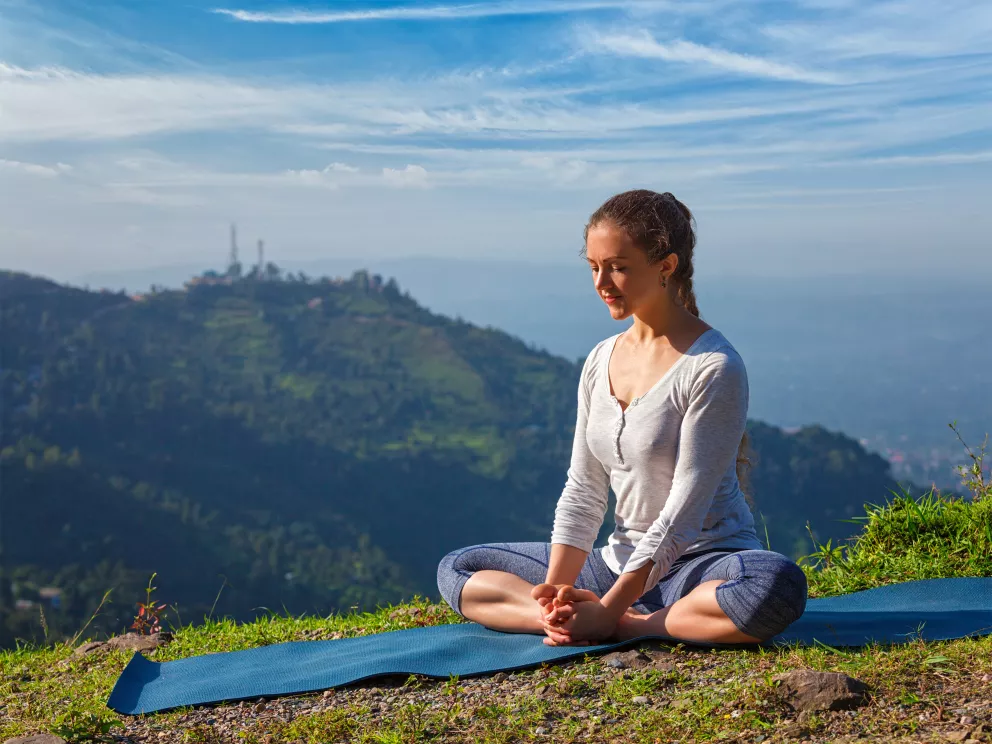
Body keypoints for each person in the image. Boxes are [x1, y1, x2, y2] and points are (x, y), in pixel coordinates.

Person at [436, 189, 808, 647]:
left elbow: (682, 517)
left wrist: (612, 611)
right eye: (593, 267)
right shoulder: (601, 358)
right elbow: (584, 489)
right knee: (459, 568)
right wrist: (557, 593)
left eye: (618, 267)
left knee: (774, 585)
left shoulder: (713, 366)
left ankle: (633, 624)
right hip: (613, 564)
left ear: (666, 266)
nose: (602, 282)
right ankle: (561, 621)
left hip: (698, 565)